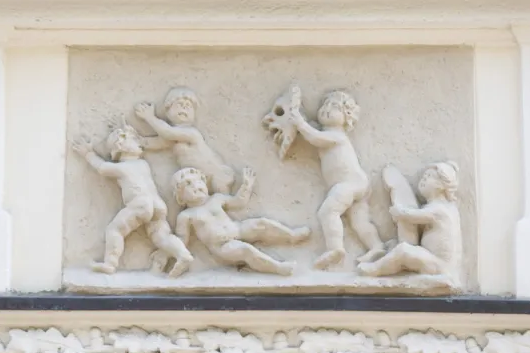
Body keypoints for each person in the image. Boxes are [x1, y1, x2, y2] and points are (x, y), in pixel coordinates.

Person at [72, 123, 194, 277]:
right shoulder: (143, 164)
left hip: (139, 204)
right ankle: (183, 255)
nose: (139, 143)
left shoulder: (121, 167)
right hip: (158, 205)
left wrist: (88, 154)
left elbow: (102, 167)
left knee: (115, 230)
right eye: (135, 140)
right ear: (121, 145)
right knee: (162, 237)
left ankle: (110, 263)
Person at [289, 86, 386, 270]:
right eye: (325, 104)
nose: (327, 109)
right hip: (358, 183)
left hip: (347, 183)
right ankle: (376, 246)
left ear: (347, 118)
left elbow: (314, 137)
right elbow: (314, 132)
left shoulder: (337, 135)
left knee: (328, 212)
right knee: (359, 221)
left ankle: (335, 249)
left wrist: (300, 123)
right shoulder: (326, 132)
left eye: (334, 107)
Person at [172, 167, 310, 276]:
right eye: (188, 184)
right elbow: (181, 241)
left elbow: (238, 203)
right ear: (180, 197)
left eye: (199, 181)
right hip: (222, 246)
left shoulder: (217, 199)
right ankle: (278, 268)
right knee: (246, 250)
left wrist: (246, 185)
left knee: (261, 223)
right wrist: (172, 252)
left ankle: (292, 235)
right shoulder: (186, 215)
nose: (196, 186)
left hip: (237, 229)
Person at [358, 161, 462, 278]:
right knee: (396, 246)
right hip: (434, 261)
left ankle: (375, 269)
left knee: (403, 251)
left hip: (438, 265)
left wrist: (400, 212)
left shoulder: (439, 209)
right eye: (424, 176)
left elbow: (413, 216)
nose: (423, 179)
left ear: (441, 185)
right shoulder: (447, 207)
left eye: (429, 176)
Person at [135, 87, 235, 194]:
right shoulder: (173, 139)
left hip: (215, 174)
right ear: (167, 111)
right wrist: (137, 140)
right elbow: (156, 143)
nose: (184, 107)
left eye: (189, 106)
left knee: (221, 198)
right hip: (198, 182)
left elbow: (167, 132)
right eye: (179, 104)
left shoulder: (191, 133)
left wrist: (150, 117)